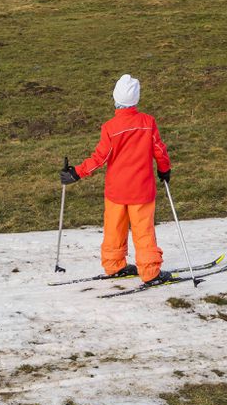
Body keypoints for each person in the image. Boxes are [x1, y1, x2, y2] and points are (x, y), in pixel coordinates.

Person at [61, 74, 173, 285]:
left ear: (115, 98)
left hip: (116, 191)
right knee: (143, 230)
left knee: (114, 227)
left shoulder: (110, 127)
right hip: (141, 190)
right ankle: (149, 271)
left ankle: (114, 265)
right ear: (136, 98)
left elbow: (100, 157)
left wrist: (77, 172)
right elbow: (159, 150)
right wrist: (164, 169)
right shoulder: (148, 123)